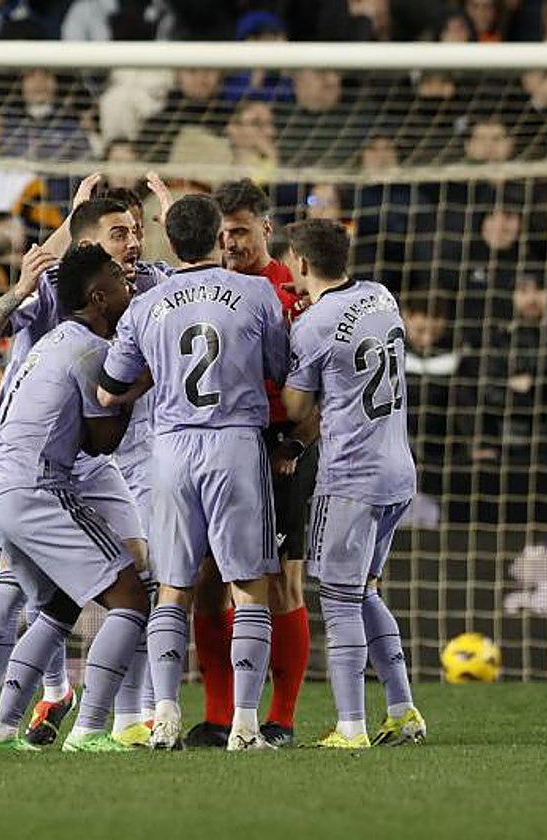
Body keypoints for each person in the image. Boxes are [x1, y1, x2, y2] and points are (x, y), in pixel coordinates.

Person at [0, 188, 169, 750]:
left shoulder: (70, 332)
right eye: (119, 236)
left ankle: (0, 728)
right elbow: (101, 440)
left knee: (60, 601)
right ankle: (92, 727)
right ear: (98, 291)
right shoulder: (71, 326)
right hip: (42, 483)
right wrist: (139, 383)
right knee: (128, 596)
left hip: (5, 484)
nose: (132, 258)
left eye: (135, 232)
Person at [99, 194, 290, 751]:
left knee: (173, 590)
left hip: (170, 449)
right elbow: (279, 366)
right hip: (234, 444)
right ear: (217, 236)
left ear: (168, 238)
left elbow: (111, 385)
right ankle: (247, 727)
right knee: (247, 587)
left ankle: (162, 718)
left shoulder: (146, 304)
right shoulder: (256, 292)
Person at [174, 178, 313, 750]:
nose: (230, 242)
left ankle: (280, 716)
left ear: (266, 229)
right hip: (216, 445)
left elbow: (314, 382)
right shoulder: (206, 286)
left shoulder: (290, 290)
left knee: (280, 580)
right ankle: (218, 713)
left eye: (240, 231)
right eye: (222, 232)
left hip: (278, 444)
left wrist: (296, 445)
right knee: (207, 581)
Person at [279, 218, 426, 749]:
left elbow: (296, 408)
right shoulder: (380, 296)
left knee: (339, 600)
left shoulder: (314, 325)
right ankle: (403, 709)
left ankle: (351, 727)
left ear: (299, 261)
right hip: (397, 470)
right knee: (365, 592)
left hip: (350, 477)